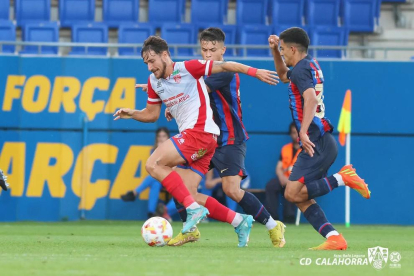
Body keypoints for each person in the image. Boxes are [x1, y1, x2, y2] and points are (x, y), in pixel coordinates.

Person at [114, 35, 279, 247]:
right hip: (205, 141)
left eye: (152, 60)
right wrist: (134, 113)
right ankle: (239, 221)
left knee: (153, 164)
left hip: (200, 133)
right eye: (146, 62)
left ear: (165, 55)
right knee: (185, 191)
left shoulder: (188, 68)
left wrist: (256, 72)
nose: (149, 67)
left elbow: (226, 65)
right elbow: (152, 114)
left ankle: (193, 210)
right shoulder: (154, 81)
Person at [164, 28, 286, 247]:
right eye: (204, 49)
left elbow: (194, 91)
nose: (208, 54)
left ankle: (272, 225)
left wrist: (173, 100)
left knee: (232, 190)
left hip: (230, 139)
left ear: (223, 50)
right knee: (179, 183)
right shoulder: (201, 72)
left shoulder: (224, 72)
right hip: (206, 139)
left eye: (213, 50)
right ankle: (190, 229)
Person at [268, 27, 371, 250]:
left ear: (293, 49)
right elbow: (285, 76)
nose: (283, 53)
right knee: (299, 196)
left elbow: (311, 100)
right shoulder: (309, 64)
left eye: (284, 49)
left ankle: (344, 178)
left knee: (291, 192)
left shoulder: (302, 69)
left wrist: (303, 132)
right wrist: (275, 51)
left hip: (316, 141)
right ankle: (334, 238)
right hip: (321, 141)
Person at [120, 127, 172, 220]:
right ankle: (151, 213)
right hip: (161, 179)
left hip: (172, 177)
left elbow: (169, 166)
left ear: (168, 137)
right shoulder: (154, 151)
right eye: (159, 136)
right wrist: (159, 150)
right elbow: (154, 167)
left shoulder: (173, 149)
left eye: (164, 136)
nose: (161, 138)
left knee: (153, 179)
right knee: (155, 183)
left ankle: (134, 193)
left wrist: (162, 151)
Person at [265, 122, 300, 224]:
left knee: (291, 188)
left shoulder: (306, 149)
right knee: (271, 186)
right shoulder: (286, 148)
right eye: (294, 132)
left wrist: (291, 181)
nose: (296, 135)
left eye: (298, 132)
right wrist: (281, 177)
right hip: (284, 179)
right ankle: (272, 218)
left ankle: (289, 218)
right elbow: (279, 167)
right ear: (290, 134)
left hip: (298, 181)